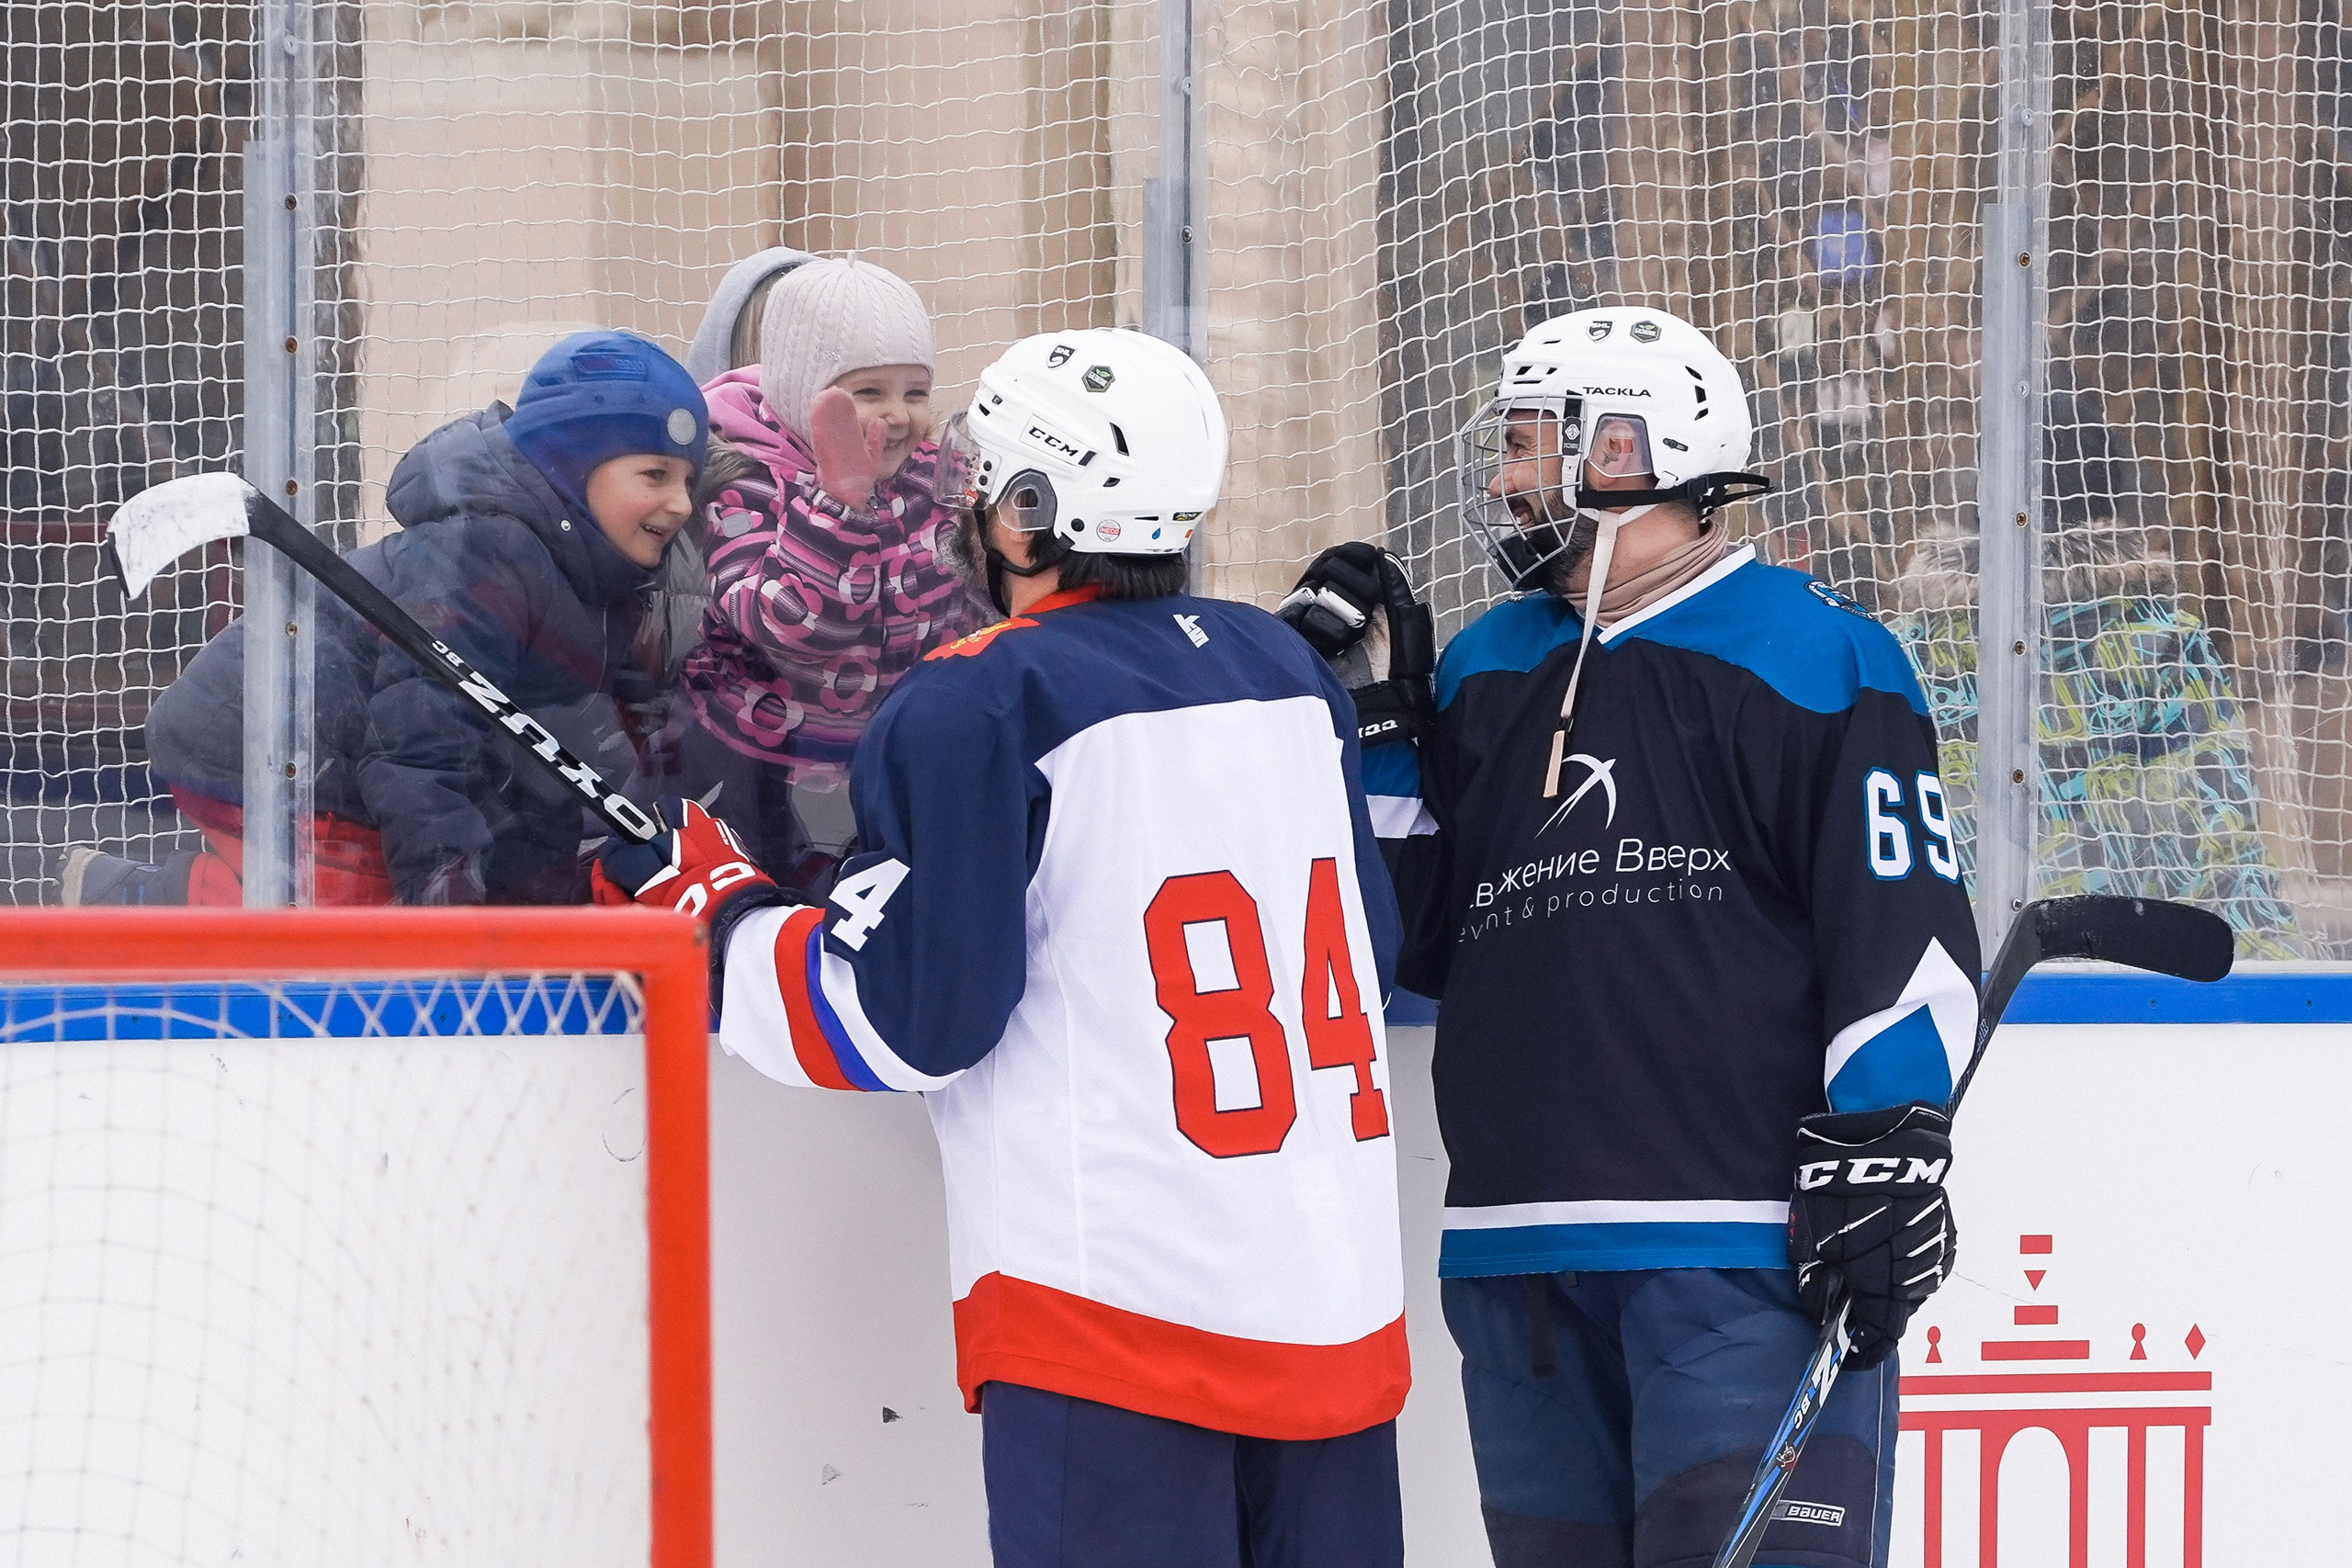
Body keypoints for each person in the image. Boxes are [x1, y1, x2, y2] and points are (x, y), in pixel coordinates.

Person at [596, 327, 1411, 1568]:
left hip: (1115, 1326)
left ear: (1029, 515)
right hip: (1334, 1313)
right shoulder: (1290, 671)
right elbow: (1377, 941)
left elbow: (907, 1017)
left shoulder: (984, 695)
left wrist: (714, 916)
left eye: (987, 486)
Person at [1278, 306, 1978, 1568]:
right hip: (1516, 1258)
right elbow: (1414, 942)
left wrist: (1885, 1143)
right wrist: (1381, 727)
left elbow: (1908, 932)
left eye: (1533, 442)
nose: (1504, 477)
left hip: (1739, 1254)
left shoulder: (1820, 655)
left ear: (1626, 450)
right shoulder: (1489, 666)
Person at [65, 330, 707, 907]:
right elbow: (419, 748)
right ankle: (142, 897)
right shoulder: (485, 556)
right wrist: (446, 905)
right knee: (351, 904)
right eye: (654, 474)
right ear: (573, 466)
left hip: (343, 757)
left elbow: (533, 762)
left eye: (687, 479)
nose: (679, 503)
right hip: (248, 739)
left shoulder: (602, 578)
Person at [640, 255, 988, 888]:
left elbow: (974, 600)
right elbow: (781, 623)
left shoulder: (933, 478)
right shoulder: (740, 479)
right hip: (755, 763)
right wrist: (837, 508)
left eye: (915, 391)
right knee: (773, 916)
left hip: (886, 758)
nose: (900, 414)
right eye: (868, 392)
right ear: (805, 393)